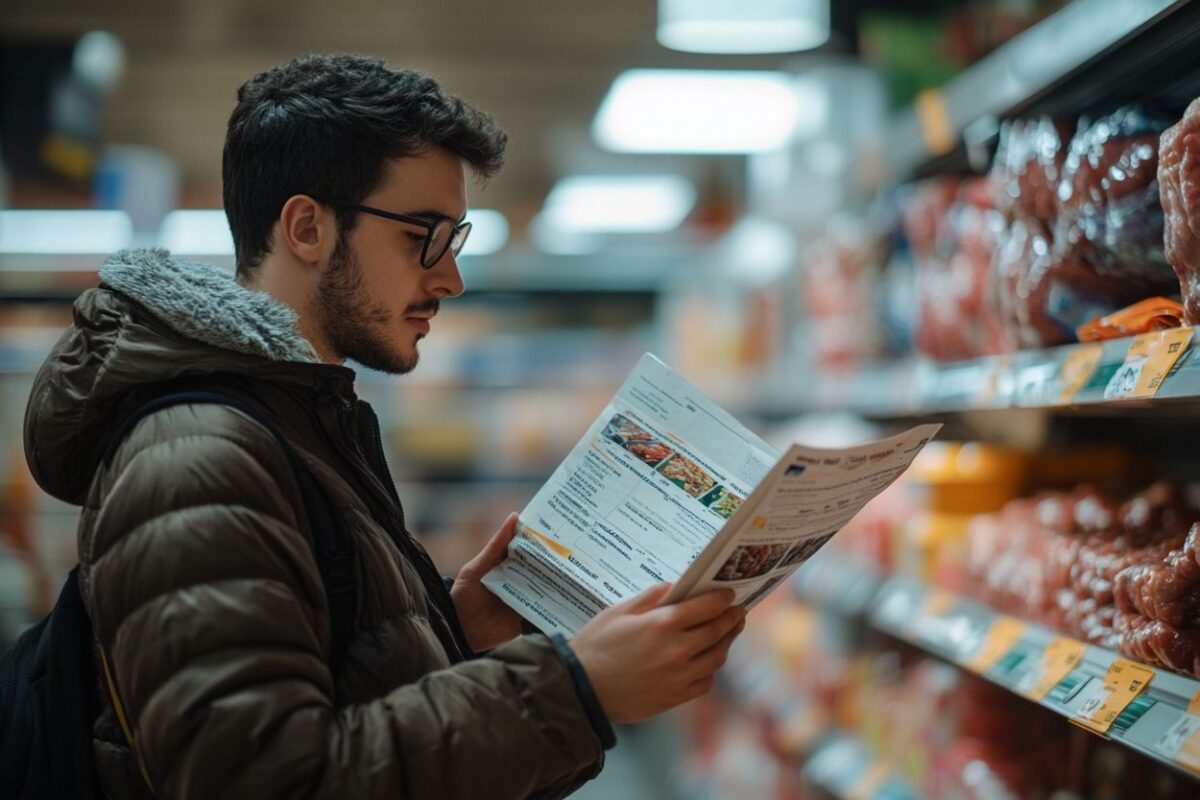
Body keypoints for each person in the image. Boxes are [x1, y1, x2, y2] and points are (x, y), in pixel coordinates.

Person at [22, 53, 745, 799]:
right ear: (307, 227)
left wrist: (449, 637)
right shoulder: (199, 454)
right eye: (422, 236)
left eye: (454, 240)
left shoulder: (298, 423)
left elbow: (326, 705)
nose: (450, 279)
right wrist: (573, 689)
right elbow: (262, 780)